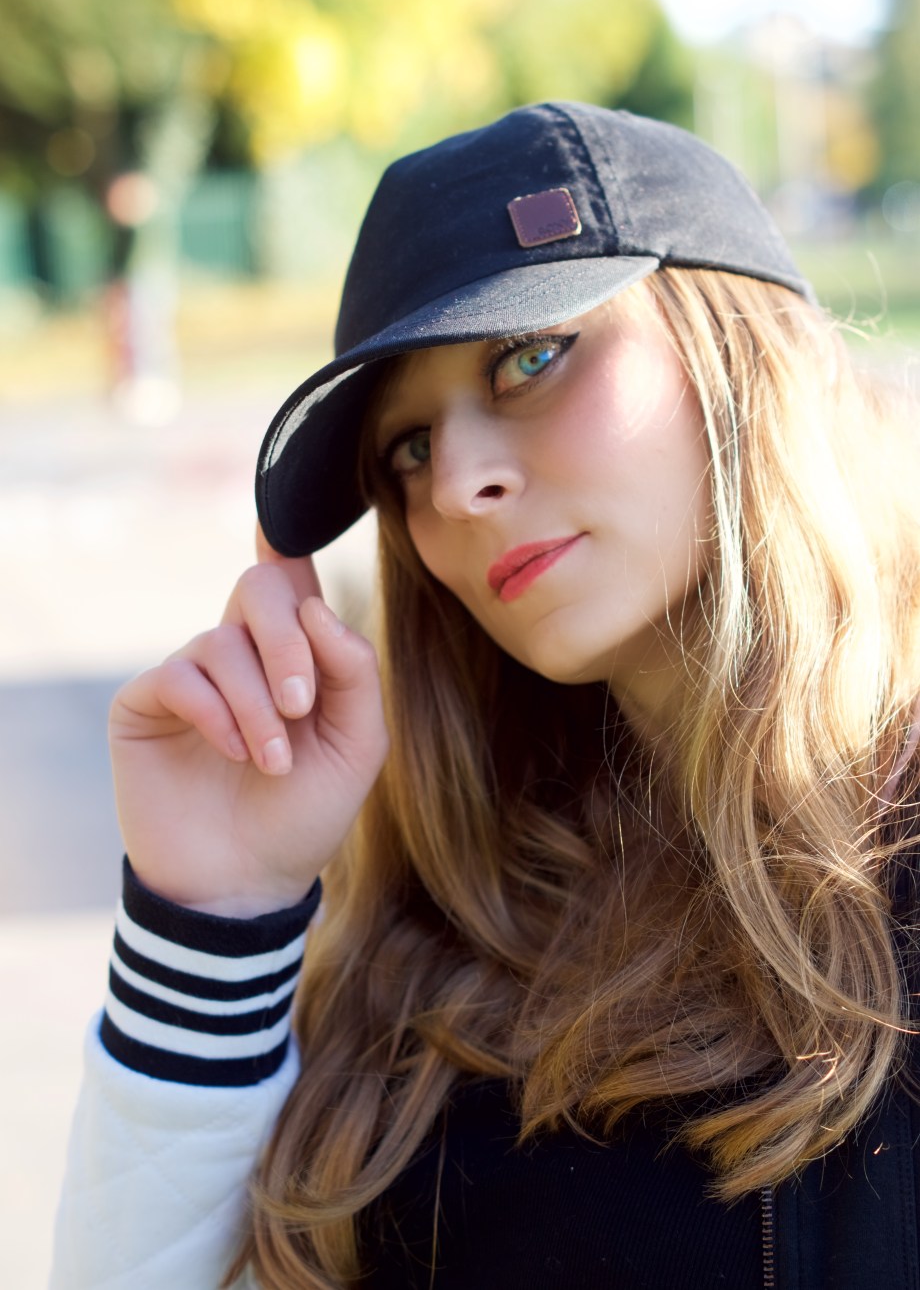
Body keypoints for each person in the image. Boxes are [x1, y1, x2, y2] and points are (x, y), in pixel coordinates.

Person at [52, 102, 920, 1290]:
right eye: (405, 449)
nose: (455, 485)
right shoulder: (435, 934)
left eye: (530, 356)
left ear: (735, 344)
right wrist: (211, 916)